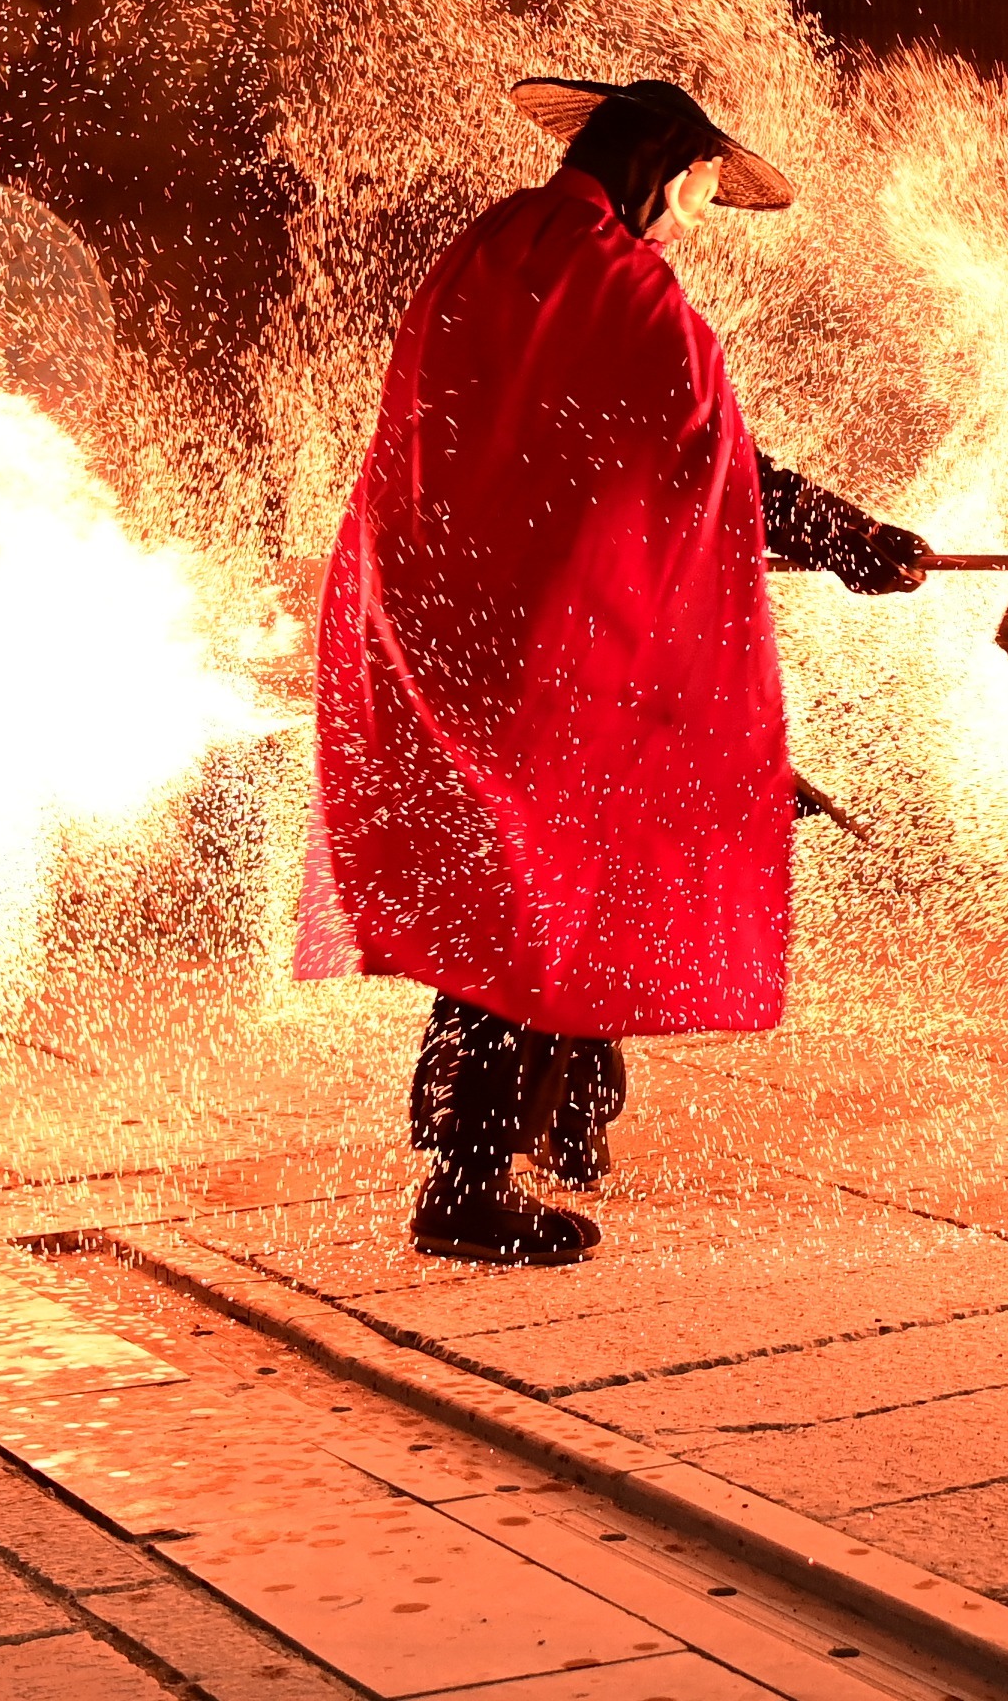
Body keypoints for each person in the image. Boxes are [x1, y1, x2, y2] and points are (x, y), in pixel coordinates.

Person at [310, 75, 930, 1266]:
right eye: (702, 186)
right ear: (665, 167)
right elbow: (709, 465)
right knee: (545, 906)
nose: (701, 213)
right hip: (556, 654)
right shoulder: (620, 285)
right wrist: (851, 542)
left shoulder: (489, 244)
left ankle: (556, 1128)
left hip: (454, 620)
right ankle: (469, 1185)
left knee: (531, 898)